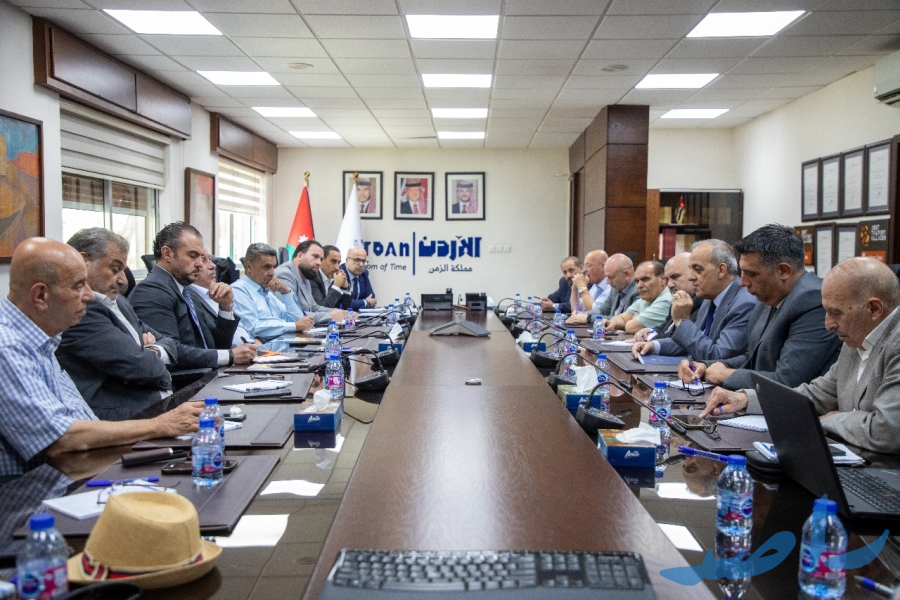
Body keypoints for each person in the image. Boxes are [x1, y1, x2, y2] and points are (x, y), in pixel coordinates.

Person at [0, 238, 202, 477]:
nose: (90, 295)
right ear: (41, 295)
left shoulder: (43, 338)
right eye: (79, 286)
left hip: (78, 468)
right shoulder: (7, 347)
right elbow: (61, 439)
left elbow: (80, 418)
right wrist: (162, 424)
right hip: (36, 489)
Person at [700, 258, 900, 453]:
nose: (828, 325)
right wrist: (745, 399)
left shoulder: (894, 343)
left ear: (874, 309)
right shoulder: (857, 334)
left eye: (835, 312)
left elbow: (887, 430)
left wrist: (831, 419)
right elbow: (817, 394)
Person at [678, 224, 841, 391]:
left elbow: (787, 380)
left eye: (752, 274)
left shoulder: (812, 301)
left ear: (783, 271)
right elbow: (752, 359)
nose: (743, 282)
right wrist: (705, 366)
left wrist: (726, 375)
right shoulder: (769, 296)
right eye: (742, 272)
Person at [56, 229, 178, 420]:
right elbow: (144, 368)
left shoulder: (119, 301)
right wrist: (147, 358)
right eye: (115, 269)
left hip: (156, 403)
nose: (123, 280)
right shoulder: (80, 312)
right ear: (83, 261)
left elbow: (168, 341)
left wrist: (152, 351)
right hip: (119, 418)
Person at [130, 222, 256, 369]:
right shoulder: (151, 292)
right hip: (188, 380)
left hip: (210, 374)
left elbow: (218, 345)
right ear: (167, 254)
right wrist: (229, 356)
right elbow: (170, 351)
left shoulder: (187, 292)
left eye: (201, 257)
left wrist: (225, 306)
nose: (199, 264)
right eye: (192, 256)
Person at [633, 240, 756, 361]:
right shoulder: (709, 298)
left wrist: (682, 321)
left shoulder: (744, 304)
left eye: (698, 269)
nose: (691, 277)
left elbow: (717, 356)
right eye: (690, 269)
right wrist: (654, 346)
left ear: (721, 270)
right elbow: (692, 343)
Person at [231, 243, 314, 342]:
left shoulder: (266, 291)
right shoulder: (238, 290)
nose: (272, 273)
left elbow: (298, 319)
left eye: (273, 267)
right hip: (261, 349)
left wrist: (286, 292)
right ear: (249, 267)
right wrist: (294, 326)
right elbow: (253, 328)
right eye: (266, 267)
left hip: (281, 345)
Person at [273, 240, 347, 326]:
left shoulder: (305, 276)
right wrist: (329, 316)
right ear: (300, 256)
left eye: (321, 259)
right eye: (315, 256)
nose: (319, 263)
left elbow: (313, 307)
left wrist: (341, 313)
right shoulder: (284, 274)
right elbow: (292, 315)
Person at [190, 250, 255, 347]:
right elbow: (218, 344)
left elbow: (242, 327)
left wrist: (257, 339)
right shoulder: (189, 299)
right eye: (203, 260)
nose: (213, 265)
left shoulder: (218, 292)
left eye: (210, 259)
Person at [633, 252, 701, 342]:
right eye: (667, 279)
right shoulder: (678, 300)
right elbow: (666, 327)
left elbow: (679, 340)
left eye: (675, 277)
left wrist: (652, 339)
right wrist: (651, 331)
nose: (669, 284)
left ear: (693, 275)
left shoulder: (702, 302)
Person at [597, 261, 672, 334]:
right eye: (637, 281)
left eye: (645, 279)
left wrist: (633, 319)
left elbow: (631, 327)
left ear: (663, 280)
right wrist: (613, 323)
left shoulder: (667, 299)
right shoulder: (645, 299)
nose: (639, 285)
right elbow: (621, 318)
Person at [567, 254, 637, 326]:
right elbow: (602, 310)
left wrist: (588, 318)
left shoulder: (638, 291)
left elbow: (623, 320)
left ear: (626, 274)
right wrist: (582, 315)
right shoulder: (616, 288)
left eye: (611, 277)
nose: (608, 282)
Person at [312, 245, 352, 309]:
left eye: (338, 263)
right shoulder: (313, 278)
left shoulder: (334, 279)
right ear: (321, 261)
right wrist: (336, 286)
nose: (337, 267)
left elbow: (345, 309)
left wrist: (345, 288)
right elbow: (321, 309)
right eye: (333, 261)